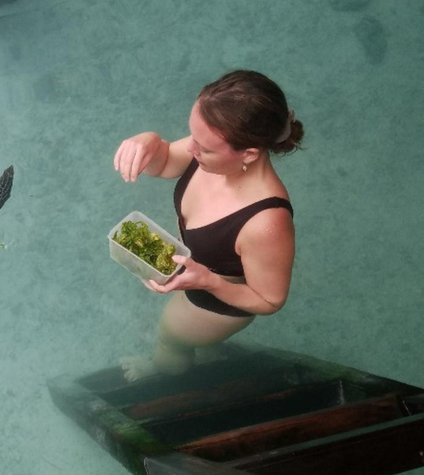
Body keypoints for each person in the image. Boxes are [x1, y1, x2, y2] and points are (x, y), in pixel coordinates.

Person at [113, 70, 304, 380]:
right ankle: (210, 353)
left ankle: (162, 377)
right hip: (199, 275)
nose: (191, 149)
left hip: (219, 303)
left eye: (204, 147)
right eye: (193, 136)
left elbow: (270, 300)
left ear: (249, 153)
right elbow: (165, 162)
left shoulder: (266, 221)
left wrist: (207, 281)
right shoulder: (208, 145)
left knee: (170, 340)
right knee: (192, 338)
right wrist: (149, 142)